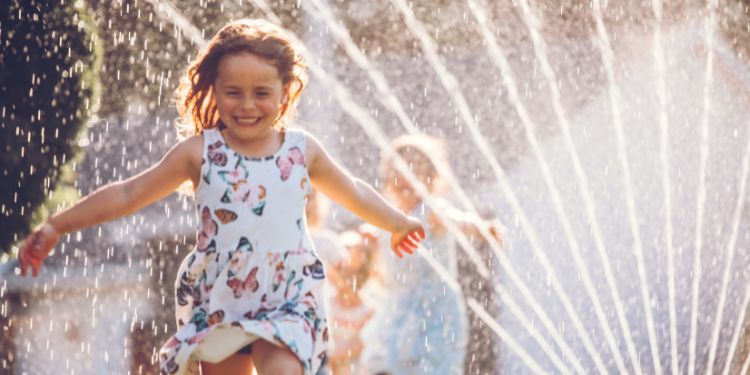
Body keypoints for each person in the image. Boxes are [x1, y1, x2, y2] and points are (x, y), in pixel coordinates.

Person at [16, 19, 425, 375]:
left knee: (284, 368)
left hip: (287, 296)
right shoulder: (201, 152)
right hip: (221, 299)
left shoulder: (302, 151)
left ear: (286, 92)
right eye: (233, 92)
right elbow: (128, 193)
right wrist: (57, 225)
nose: (247, 105)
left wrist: (397, 222)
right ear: (214, 90)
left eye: (261, 92)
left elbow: (353, 189)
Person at [358, 134, 502, 375]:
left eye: (416, 169)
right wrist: (367, 247)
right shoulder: (385, 218)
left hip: (435, 312)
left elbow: (456, 220)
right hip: (398, 309)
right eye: (399, 169)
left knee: (431, 367)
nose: (405, 176)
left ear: (430, 178)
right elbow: (380, 269)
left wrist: (481, 228)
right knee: (380, 364)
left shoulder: (430, 211)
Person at [325, 230, 374, 375]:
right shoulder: (326, 302)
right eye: (341, 273)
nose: (345, 282)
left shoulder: (368, 308)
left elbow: (364, 344)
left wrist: (332, 357)